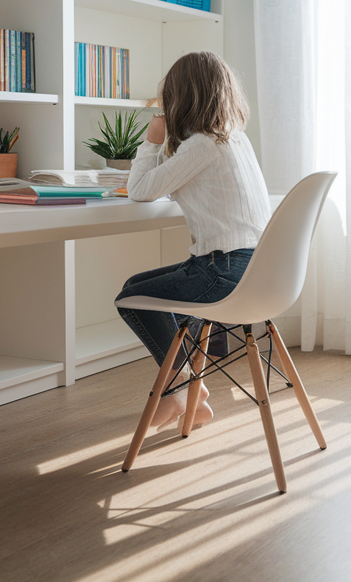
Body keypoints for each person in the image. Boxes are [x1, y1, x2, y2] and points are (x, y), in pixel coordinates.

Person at [115, 52, 272, 430]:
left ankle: (180, 386)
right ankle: (190, 393)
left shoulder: (201, 145)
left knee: (131, 301)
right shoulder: (235, 139)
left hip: (222, 271)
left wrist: (151, 141)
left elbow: (138, 190)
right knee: (137, 288)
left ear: (180, 98)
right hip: (257, 270)